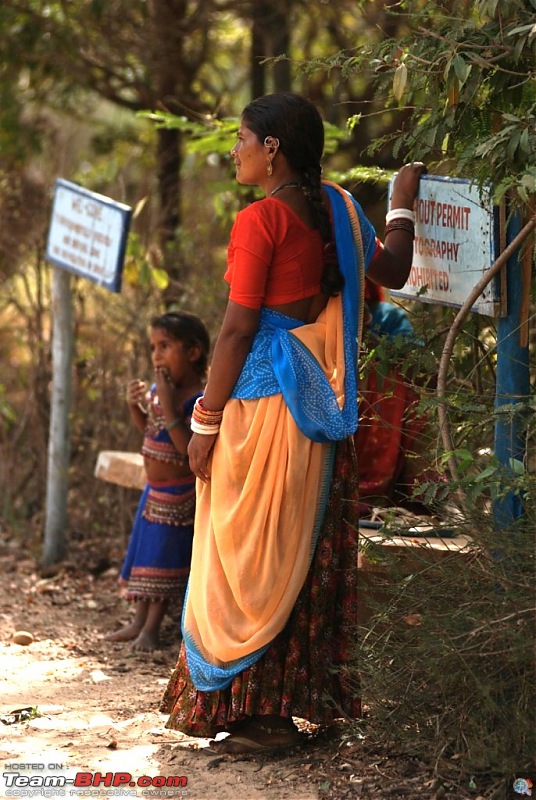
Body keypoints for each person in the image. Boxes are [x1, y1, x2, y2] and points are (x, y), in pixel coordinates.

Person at [159, 92, 425, 751]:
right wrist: (400, 201)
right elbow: (394, 267)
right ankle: (293, 705)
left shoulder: (261, 222)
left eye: (242, 138)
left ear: (272, 147)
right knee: (301, 554)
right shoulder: (337, 207)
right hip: (318, 410)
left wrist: (206, 420)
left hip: (258, 414)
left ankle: (260, 716)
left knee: (246, 562)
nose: (234, 149)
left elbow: (236, 330)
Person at [104, 311, 210, 652]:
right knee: (146, 556)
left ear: (193, 353)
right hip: (153, 492)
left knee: (163, 560)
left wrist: (165, 402)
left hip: (177, 496)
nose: (156, 356)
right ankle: (137, 621)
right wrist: (136, 405)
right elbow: (150, 430)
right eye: (153, 347)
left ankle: (151, 629)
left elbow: (184, 449)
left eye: (165, 346)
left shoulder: (197, 399)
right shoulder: (159, 391)